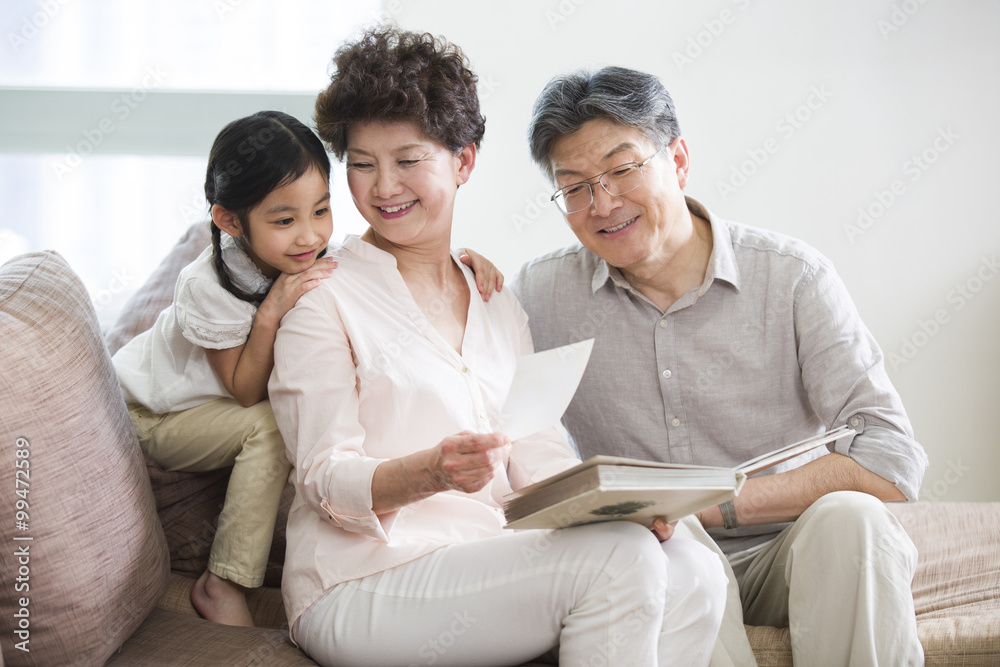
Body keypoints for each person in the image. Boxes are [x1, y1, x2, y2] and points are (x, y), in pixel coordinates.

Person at [268, 28, 727, 667]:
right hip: (361, 583)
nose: (383, 187)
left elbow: (535, 452)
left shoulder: (495, 299)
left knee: (694, 568)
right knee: (619, 559)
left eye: (408, 159)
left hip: (486, 566)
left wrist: (615, 507)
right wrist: (427, 472)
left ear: (464, 160)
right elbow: (321, 477)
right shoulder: (323, 297)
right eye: (362, 163)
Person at [512, 66, 930, 667]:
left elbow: (891, 462)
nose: (602, 204)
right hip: (662, 558)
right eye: (573, 186)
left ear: (677, 160)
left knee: (854, 520)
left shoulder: (793, 278)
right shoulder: (540, 293)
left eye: (623, 169)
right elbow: (481, 402)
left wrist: (711, 505)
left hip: (795, 549)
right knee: (668, 552)